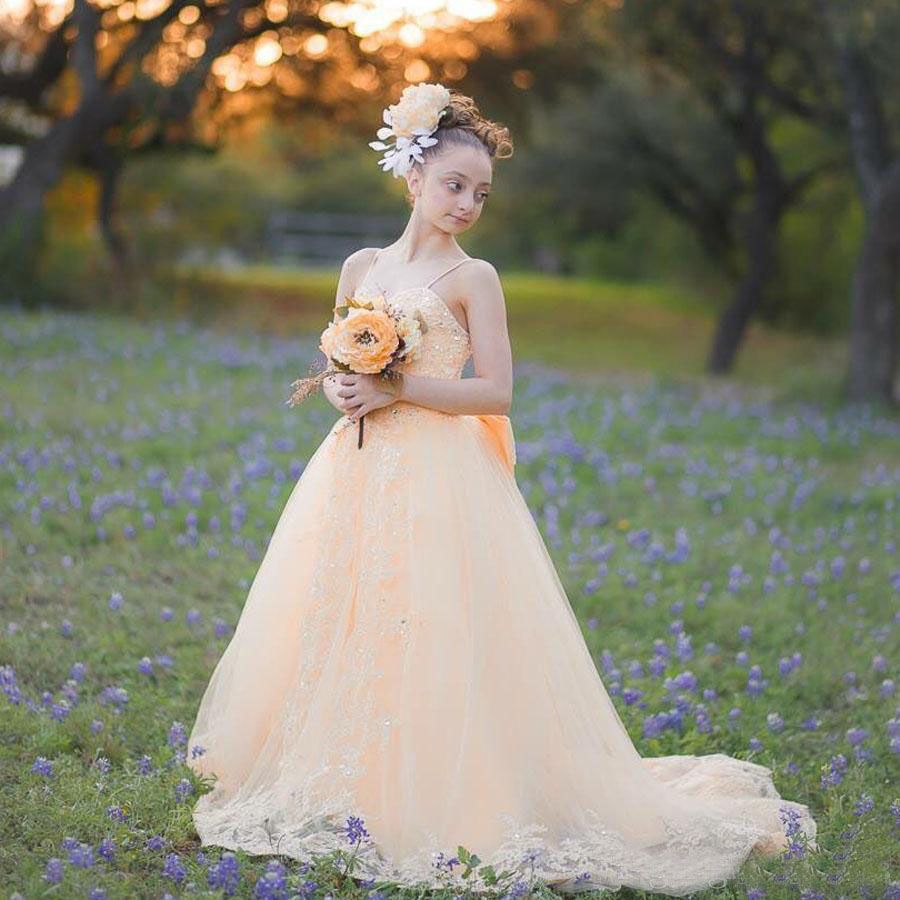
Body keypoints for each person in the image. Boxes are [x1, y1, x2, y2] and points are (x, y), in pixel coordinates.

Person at [187, 83, 817, 895]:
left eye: (482, 192)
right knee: (350, 612)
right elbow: (343, 365)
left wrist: (398, 391)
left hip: (441, 476)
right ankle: (347, 777)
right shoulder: (361, 266)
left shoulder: (473, 277)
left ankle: (450, 790)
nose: (468, 203)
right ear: (413, 178)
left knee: (437, 622)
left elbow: (496, 393)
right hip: (359, 466)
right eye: (454, 184)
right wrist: (346, 389)